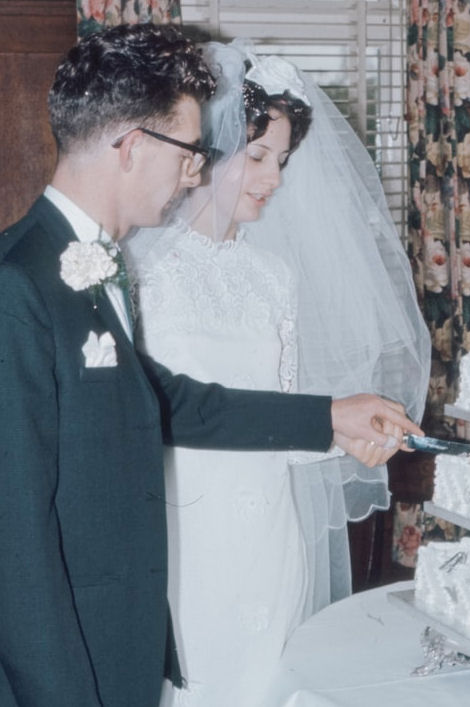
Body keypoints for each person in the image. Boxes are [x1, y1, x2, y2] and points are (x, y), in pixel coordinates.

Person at [0, 23, 424, 707]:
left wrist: (327, 416)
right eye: (191, 152)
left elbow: (165, 398)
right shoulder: (16, 285)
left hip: (132, 639)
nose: (196, 171)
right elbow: (13, 547)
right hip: (74, 664)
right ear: (133, 146)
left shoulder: (87, 262)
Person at [127, 40, 431, 707]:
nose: (272, 179)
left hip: (268, 529)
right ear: (203, 152)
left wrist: (345, 433)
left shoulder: (274, 276)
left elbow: (285, 414)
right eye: (258, 156)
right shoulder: (139, 271)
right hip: (183, 532)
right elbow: (144, 414)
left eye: (283, 162)